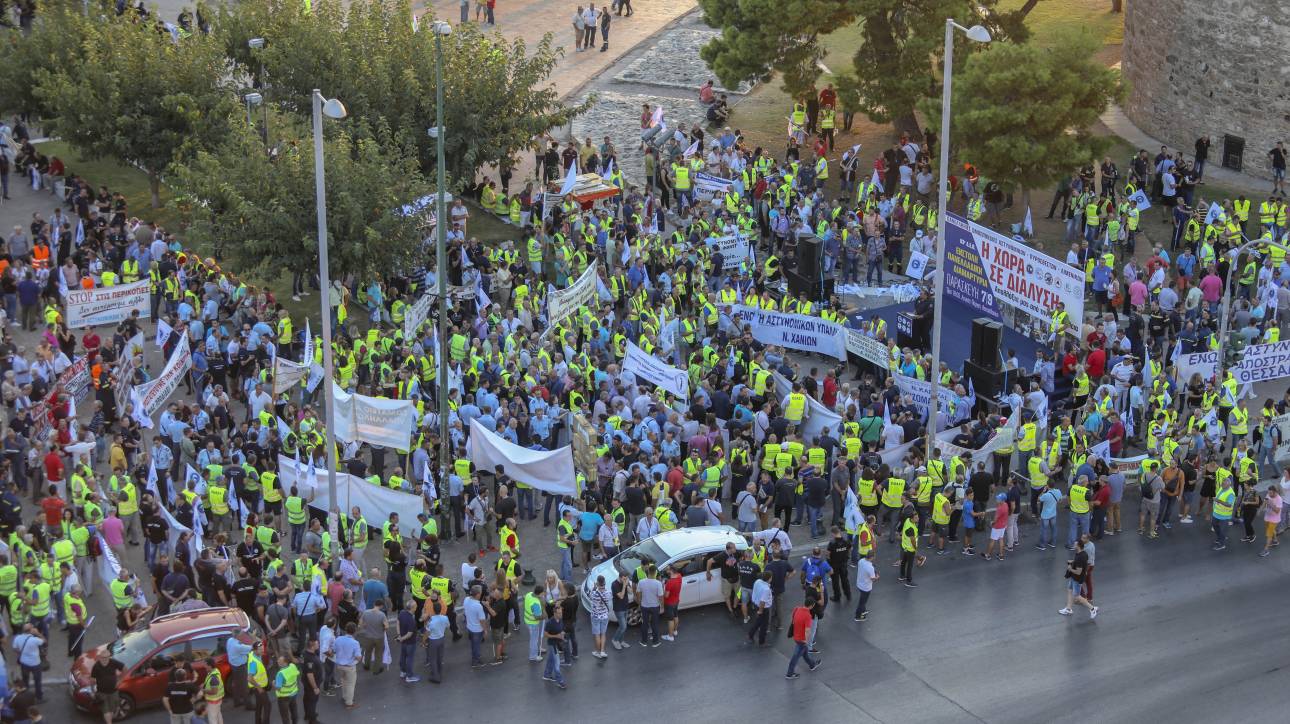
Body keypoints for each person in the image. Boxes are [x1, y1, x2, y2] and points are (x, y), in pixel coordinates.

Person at [1059, 539, 1098, 620]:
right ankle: (1068, 609)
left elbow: (1078, 572)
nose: (1074, 545)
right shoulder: (1081, 553)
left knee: (1077, 597)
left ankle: (1092, 608)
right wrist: (1073, 561)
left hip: (1077, 579)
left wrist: (1070, 569)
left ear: (1079, 546)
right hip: (1074, 578)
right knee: (1069, 590)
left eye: (1075, 544)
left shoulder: (1080, 557)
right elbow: (1082, 563)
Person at [785, 597, 822, 679]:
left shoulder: (797, 609)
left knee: (805, 653)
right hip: (801, 639)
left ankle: (812, 665)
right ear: (812, 606)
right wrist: (806, 641)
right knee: (795, 656)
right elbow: (807, 630)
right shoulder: (807, 616)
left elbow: (794, 620)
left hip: (796, 636)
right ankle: (789, 673)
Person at [89, 648, 125, 724]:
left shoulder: (113, 662)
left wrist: (120, 681)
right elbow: (92, 679)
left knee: (112, 709)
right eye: (103, 657)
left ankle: (110, 720)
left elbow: (125, 669)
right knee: (106, 710)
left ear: (109, 657)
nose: (104, 659)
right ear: (100, 657)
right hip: (102, 692)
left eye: (106, 657)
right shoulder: (96, 666)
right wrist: (92, 691)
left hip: (113, 692)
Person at [12, 624, 43, 702]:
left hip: (24, 663)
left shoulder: (17, 638)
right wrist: (38, 633)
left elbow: (15, 648)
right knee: (37, 681)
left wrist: (20, 653)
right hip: (35, 663)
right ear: (31, 630)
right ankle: (39, 697)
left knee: (25, 680)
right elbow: (44, 641)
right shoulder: (34, 639)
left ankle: (26, 696)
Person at [635, 565, 663, 647]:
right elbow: (660, 596)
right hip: (655, 606)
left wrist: (639, 604)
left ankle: (644, 642)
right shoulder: (658, 583)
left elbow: (638, 594)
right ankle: (655, 642)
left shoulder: (641, 582)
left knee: (645, 624)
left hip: (644, 606)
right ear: (655, 573)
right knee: (655, 624)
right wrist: (662, 607)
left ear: (647, 573)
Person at [542, 602, 567, 689]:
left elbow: (561, 629)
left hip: (557, 643)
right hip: (552, 644)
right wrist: (556, 636)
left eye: (561, 613)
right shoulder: (550, 622)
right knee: (557, 664)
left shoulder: (560, 620)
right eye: (559, 613)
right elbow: (545, 635)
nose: (561, 614)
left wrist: (562, 634)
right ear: (554, 613)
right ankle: (560, 681)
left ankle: (547, 675)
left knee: (551, 660)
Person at [587, 575, 612, 658]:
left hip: (595, 616)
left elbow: (589, 595)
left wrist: (594, 587)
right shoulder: (608, 593)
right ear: (604, 583)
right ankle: (602, 651)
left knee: (597, 635)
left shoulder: (594, 593)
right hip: (605, 616)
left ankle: (597, 652)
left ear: (597, 583)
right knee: (603, 634)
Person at [745, 571, 773, 646]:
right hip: (763, 609)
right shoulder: (766, 589)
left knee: (758, 622)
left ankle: (750, 635)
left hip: (756, 604)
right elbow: (763, 602)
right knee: (764, 625)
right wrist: (760, 611)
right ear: (769, 579)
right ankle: (762, 641)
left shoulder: (758, 581)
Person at [273, 653, 300, 724]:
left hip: (284, 698)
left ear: (285, 663)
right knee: (294, 712)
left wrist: (273, 684)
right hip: (293, 694)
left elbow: (278, 688)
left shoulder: (280, 674)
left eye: (280, 660)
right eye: (278, 659)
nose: (277, 661)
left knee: (285, 717)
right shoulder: (293, 666)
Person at [853, 550, 878, 621]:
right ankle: (858, 616)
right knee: (862, 602)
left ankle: (863, 611)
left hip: (859, 583)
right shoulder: (870, 568)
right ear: (872, 557)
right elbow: (873, 579)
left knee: (863, 600)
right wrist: (877, 577)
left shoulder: (861, 561)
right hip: (866, 587)